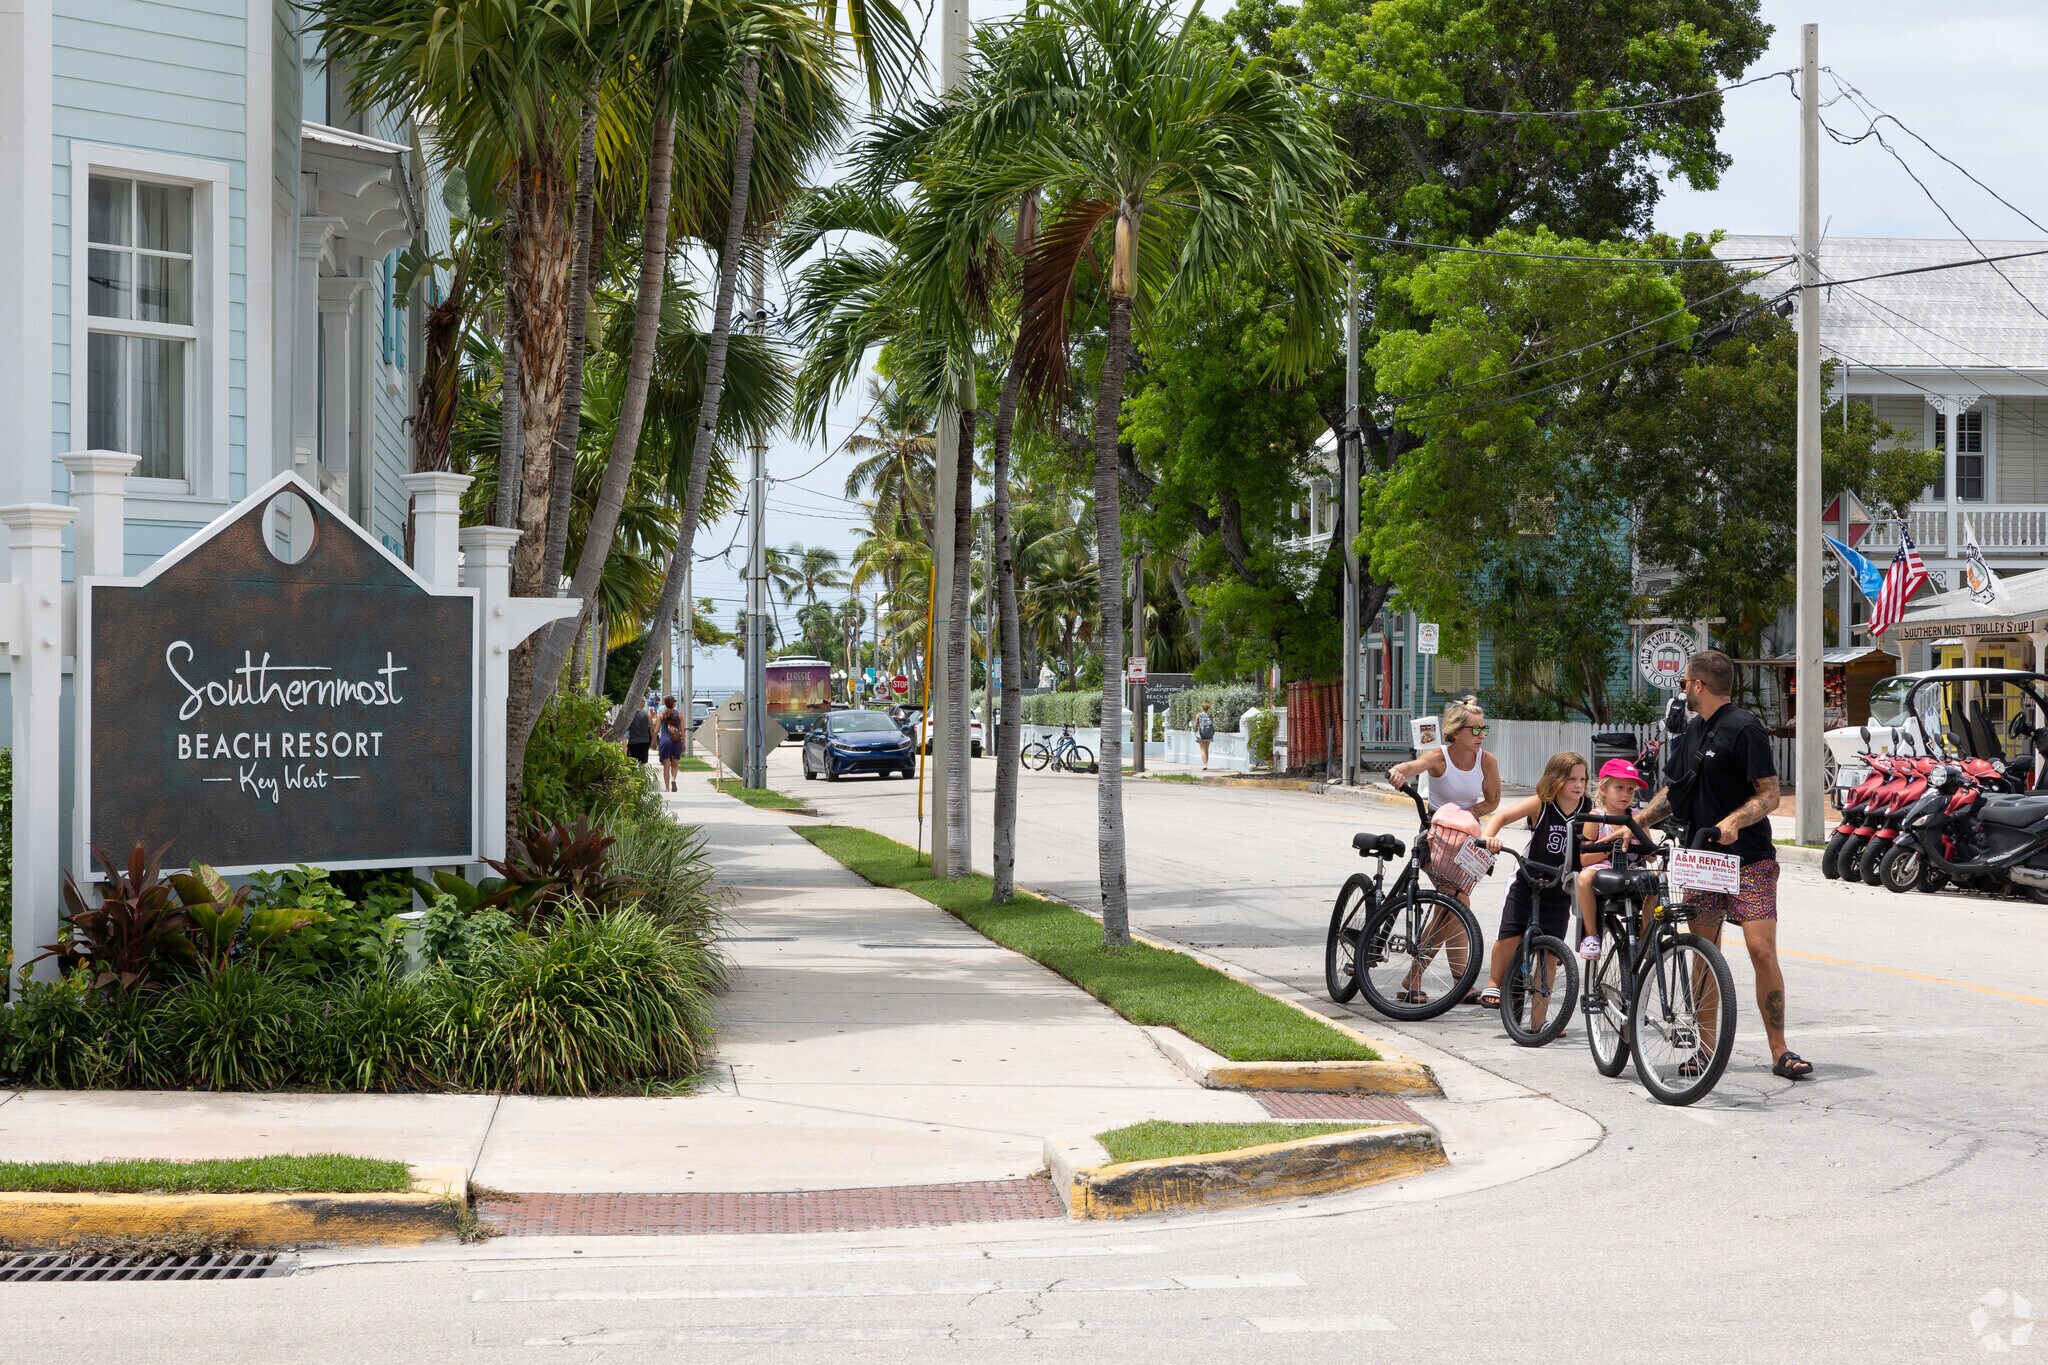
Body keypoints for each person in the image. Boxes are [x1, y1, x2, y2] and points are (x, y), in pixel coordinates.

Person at [1640, 648, 1812, 1081]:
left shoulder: (1745, 728)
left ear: (1698, 684)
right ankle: (1705, 1050)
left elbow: (1770, 793)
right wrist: (1635, 823)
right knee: (1703, 952)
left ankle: (1780, 1050)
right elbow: (1671, 793)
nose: (1682, 690)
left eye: (1685, 683)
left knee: (1761, 950)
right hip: (1702, 861)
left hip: (1749, 860)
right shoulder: (1693, 734)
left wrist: (1734, 821)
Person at [1385, 697, 1501, 1003]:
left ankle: (1439, 980)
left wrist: (1467, 814)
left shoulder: (1486, 761)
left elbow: (1492, 800)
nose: (1482, 735)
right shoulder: (1440, 757)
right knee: (1457, 901)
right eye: (1475, 730)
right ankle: (1433, 979)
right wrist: (1398, 772)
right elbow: (1414, 765)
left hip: (1467, 840)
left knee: (1454, 905)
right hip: (1436, 837)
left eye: (1483, 728)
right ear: (1456, 733)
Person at [1475, 751, 1589, 1010]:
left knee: (1551, 952)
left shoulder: (1588, 809)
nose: (1579, 785)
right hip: (1527, 878)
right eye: (1572, 779)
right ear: (1556, 779)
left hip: (1560, 886)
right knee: (1510, 935)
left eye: (1583, 779)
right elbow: (1501, 817)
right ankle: (1494, 981)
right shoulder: (1542, 803)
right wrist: (1489, 838)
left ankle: (1541, 1018)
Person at [1574, 759, 1649, 959]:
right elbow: (1584, 859)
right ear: (1604, 788)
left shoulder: (1638, 817)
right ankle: (1591, 936)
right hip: (1602, 869)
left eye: (1631, 790)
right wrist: (1610, 846)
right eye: (1620, 788)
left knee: (1658, 881)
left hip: (1631, 868)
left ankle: (1644, 937)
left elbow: (1649, 857)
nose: (1626, 794)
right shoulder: (1596, 816)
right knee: (1583, 878)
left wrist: (1641, 833)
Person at [656, 695, 686, 792]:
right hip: (676, 740)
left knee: (666, 766)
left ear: (665, 704)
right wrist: (684, 743)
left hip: (664, 740)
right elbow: (682, 730)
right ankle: (673, 779)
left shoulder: (661, 715)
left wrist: (653, 739)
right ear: (674, 703)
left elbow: (656, 730)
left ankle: (667, 788)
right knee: (675, 764)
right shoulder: (680, 714)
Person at [625, 698, 653, 766]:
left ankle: (633, 776)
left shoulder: (630, 714)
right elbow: (651, 728)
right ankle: (641, 776)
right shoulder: (647, 714)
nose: (644, 703)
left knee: (631, 763)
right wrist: (653, 739)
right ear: (640, 702)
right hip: (644, 741)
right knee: (642, 763)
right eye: (643, 701)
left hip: (633, 742)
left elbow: (626, 727)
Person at [1195, 704, 1216, 768]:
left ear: (1202, 708)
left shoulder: (1198, 715)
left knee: (1202, 749)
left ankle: (1204, 765)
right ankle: (1206, 763)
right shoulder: (1210, 715)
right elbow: (1212, 723)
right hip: (1208, 734)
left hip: (1201, 734)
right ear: (1207, 709)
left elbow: (1196, 725)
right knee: (1206, 749)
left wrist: (1196, 727)